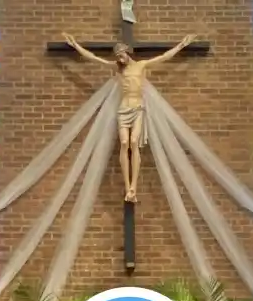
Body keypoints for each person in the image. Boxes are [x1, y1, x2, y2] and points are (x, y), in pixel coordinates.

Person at [62, 33, 197, 202]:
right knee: (124, 143)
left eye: (121, 55)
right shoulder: (118, 68)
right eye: (117, 57)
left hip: (137, 108)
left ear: (127, 53)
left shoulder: (141, 65)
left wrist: (181, 45)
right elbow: (94, 58)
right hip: (123, 109)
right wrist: (76, 46)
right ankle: (128, 187)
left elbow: (163, 57)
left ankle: (134, 185)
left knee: (134, 142)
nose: (120, 59)